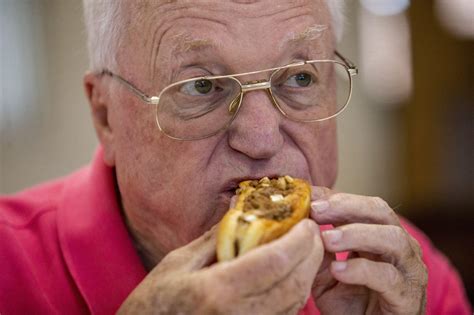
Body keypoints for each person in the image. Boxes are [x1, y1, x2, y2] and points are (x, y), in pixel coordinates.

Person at [0, 1, 471, 314]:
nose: (262, 139)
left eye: (300, 78)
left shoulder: (401, 275)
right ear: (105, 115)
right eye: (201, 86)